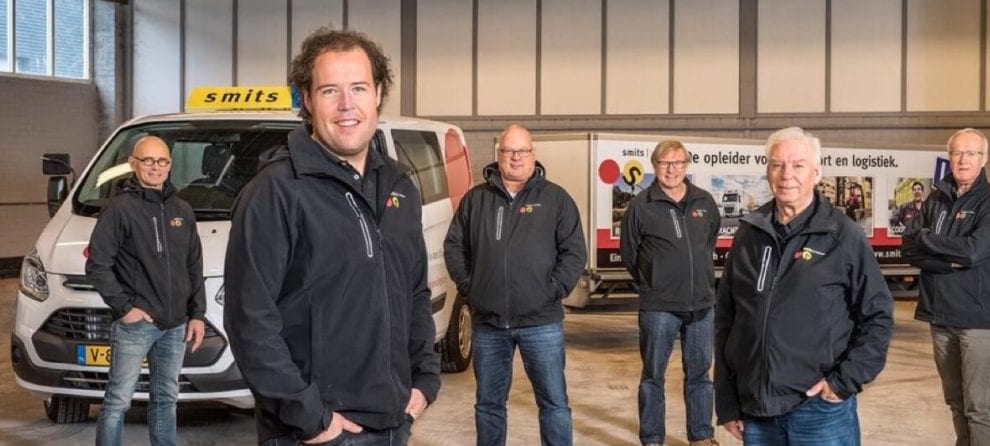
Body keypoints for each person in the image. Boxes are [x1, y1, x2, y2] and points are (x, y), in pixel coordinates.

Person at [224, 28, 440, 445]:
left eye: (358, 88)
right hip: (316, 433)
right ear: (307, 99)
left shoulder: (399, 185)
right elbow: (250, 319)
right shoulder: (276, 191)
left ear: (378, 93)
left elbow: (414, 291)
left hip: (394, 422)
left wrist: (425, 377)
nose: (346, 104)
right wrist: (309, 417)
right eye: (329, 91)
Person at [714, 127, 895, 446]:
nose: (787, 175)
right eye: (777, 165)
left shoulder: (843, 236)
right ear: (768, 171)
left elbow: (877, 316)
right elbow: (727, 320)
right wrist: (727, 400)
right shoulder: (748, 235)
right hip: (757, 411)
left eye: (798, 165)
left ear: (816, 172)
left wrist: (843, 382)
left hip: (819, 410)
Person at [444, 124, 587, 446]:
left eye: (523, 151)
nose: (516, 157)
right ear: (499, 154)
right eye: (509, 151)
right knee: (489, 404)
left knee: (554, 403)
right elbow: (454, 245)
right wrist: (470, 286)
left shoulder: (555, 199)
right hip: (489, 323)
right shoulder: (476, 199)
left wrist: (553, 290)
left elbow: (575, 252)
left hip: (541, 322)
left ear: (533, 154)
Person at [86, 135, 207, 446]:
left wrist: (197, 314)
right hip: (137, 325)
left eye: (162, 161)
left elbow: (194, 266)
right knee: (117, 401)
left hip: (175, 326)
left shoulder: (182, 210)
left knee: (166, 400)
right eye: (148, 160)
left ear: (170, 165)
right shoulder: (119, 210)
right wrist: (125, 308)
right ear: (133, 163)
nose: (156, 167)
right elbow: (97, 265)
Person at [902, 128, 990, 446]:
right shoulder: (936, 199)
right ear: (949, 158)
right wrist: (945, 262)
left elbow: (973, 252)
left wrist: (927, 238)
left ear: (984, 158)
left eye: (971, 153)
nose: (964, 160)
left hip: (977, 317)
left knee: (978, 406)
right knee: (955, 401)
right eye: (957, 153)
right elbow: (908, 248)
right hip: (939, 315)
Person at [619, 140, 721, 446]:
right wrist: (654, 281)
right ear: (655, 166)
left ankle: (701, 436)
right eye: (665, 163)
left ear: (686, 165)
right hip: (659, 307)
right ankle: (652, 438)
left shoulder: (704, 201)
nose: (672, 169)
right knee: (653, 375)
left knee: (700, 375)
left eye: (678, 163)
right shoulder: (641, 205)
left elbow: (709, 242)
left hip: (701, 305)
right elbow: (630, 253)